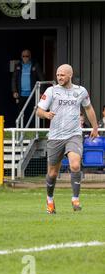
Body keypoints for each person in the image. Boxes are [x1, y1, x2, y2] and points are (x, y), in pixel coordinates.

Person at [37, 64, 99, 214]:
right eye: (58, 75)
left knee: (75, 165)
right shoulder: (51, 91)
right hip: (55, 137)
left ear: (70, 75)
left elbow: (88, 108)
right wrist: (46, 115)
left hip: (74, 134)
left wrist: (95, 127)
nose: (59, 77)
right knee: (52, 173)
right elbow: (39, 111)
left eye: (62, 75)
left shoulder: (80, 91)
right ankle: (50, 200)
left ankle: (75, 199)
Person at [12, 49, 44, 126]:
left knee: (33, 113)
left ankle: (33, 131)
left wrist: (40, 92)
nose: (25, 58)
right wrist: (14, 91)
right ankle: (20, 130)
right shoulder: (18, 66)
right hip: (21, 95)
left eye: (27, 56)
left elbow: (42, 79)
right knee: (21, 113)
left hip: (32, 95)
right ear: (21, 57)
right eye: (23, 56)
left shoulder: (35, 65)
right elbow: (14, 79)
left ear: (30, 56)